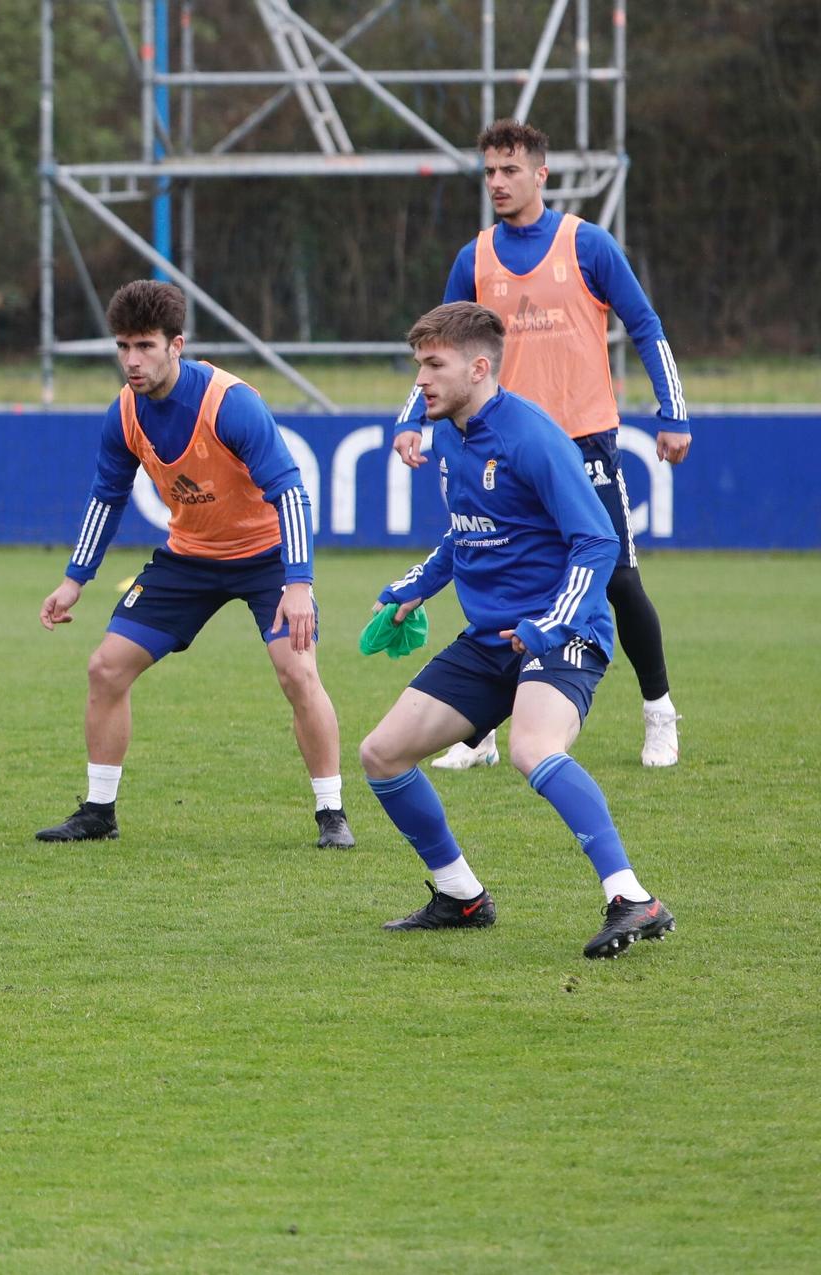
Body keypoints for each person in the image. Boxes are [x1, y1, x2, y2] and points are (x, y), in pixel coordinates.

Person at [363, 302, 675, 958]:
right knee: (382, 754)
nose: (420, 379)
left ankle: (631, 896)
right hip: (491, 638)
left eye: (433, 364)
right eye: (419, 363)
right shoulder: (449, 432)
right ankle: (461, 896)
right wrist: (417, 586)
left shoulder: (532, 437)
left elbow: (596, 540)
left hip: (565, 630)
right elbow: (467, 532)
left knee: (534, 748)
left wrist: (552, 623)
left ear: (479, 368)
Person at [395, 119, 689, 770]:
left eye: (509, 170)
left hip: (583, 439)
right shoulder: (474, 257)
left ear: (540, 174)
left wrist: (675, 412)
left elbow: (645, 325)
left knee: (614, 577)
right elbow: (439, 348)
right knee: (495, 572)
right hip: (502, 445)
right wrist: (411, 417)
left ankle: (658, 710)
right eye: (489, 172)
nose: (497, 182)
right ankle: (480, 733)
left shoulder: (587, 245)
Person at [36, 280, 355, 850]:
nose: (132, 361)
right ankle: (98, 811)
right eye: (123, 347)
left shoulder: (230, 403)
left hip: (267, 561)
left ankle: (331, 814)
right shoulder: (125, 413)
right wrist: (73, 581)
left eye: (145, 347)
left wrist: (299, 583)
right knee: (106, 668)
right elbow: (106, 496)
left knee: (298, 672)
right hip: (189, 561)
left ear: (176, 345)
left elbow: (291, 492)